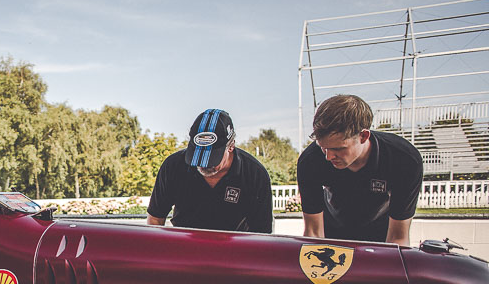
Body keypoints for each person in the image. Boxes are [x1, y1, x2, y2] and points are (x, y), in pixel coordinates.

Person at [297, 94, 423, 245]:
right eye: (323, 148)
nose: (328, 157)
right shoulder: (310, 161)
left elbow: (398, 238)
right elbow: (313, 233)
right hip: (332, 233)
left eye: (338, 149)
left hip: (381, 236)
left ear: (363, 136)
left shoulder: (404, 160)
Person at [147, 109, 272, 233]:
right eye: (197, 155)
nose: (203, 164)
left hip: (234, 246)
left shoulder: (255, 174)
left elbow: (261, 233)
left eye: (212, 157)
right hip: (186, 244)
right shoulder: (173, 166)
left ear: (231, 146)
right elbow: (155, 219)